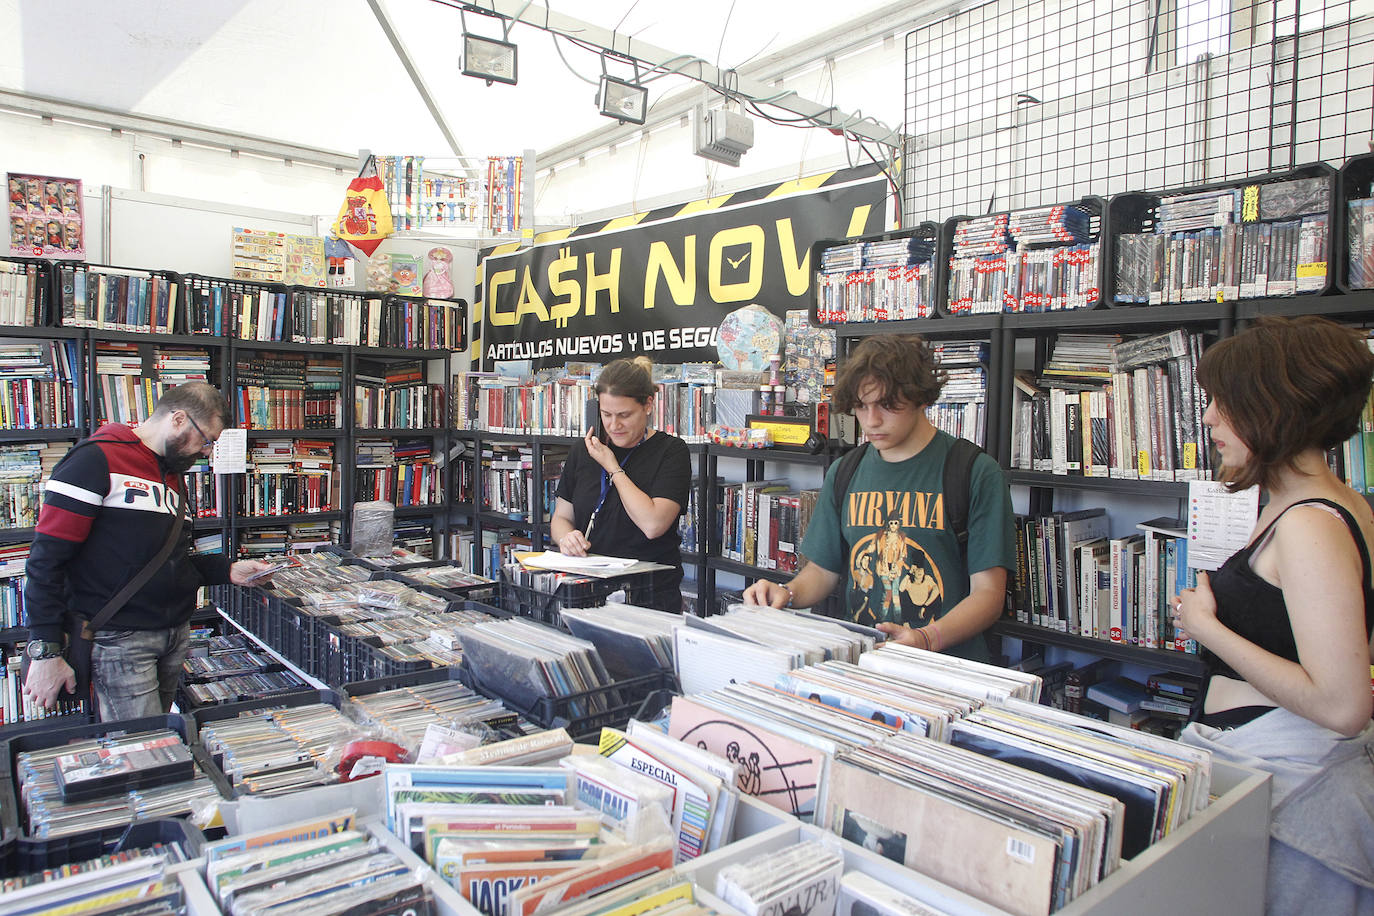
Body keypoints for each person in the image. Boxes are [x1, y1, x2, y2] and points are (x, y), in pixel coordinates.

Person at [1171, 316, 1374, 915]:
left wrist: (1207, 628)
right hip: (1274, 775)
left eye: (1222, 403)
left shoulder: (1311, 523)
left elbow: (1342, 706)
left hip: (1299, 794)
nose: (1207, 419)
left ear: (1272, 407)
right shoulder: (1321, 505)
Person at [744, 335, 1015, 660]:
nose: (871, 421)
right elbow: (822, 571)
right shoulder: (845, 471)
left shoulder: (975, 472)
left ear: (920, 398)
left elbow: (988, 595)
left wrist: (926, 639)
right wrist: (786, 593)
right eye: (861, 406)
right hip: (863, 662)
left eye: (887, 405)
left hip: (946, 668)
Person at [22, 383, 276, 722]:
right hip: (121, 639)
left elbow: (167, 561)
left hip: (173, 634)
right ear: (178, 419)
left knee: (160, 745)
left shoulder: (172, 475)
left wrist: (228, 569)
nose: (206, 452)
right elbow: (46, 560)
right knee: (142, 752)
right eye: (207, 439)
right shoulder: (96, 459)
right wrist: (45, 650)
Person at [550, 357, 691, 611]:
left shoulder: (671, 451)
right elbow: (561, 518)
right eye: (606, 414)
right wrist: (566, 538)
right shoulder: (584, 450)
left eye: (624, 415)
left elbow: (653, 524)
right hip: (588, 589)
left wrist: (613, 467)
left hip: (647, 594)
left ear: (648, 405)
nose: (614, 425)